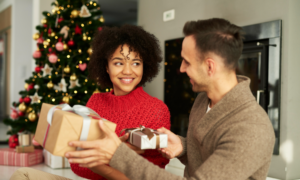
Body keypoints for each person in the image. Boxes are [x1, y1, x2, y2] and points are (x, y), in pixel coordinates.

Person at [65, 18, 275, 180]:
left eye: (186, 62)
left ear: (209, 66)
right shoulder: (204, 101)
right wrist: (184, 147)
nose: (181, 69)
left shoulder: (251, 129)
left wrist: (114, 155)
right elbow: (209, 153)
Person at [10, 25, 170, 180]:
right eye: (118, 63)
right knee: (23, 175)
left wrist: (104, 157)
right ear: (106, 67)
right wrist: (109, 157)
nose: (128, 71)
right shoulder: (96, 102)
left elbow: (152, 177)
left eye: (136, 63)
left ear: (145, 66)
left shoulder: (156, 110)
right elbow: (78, 167)